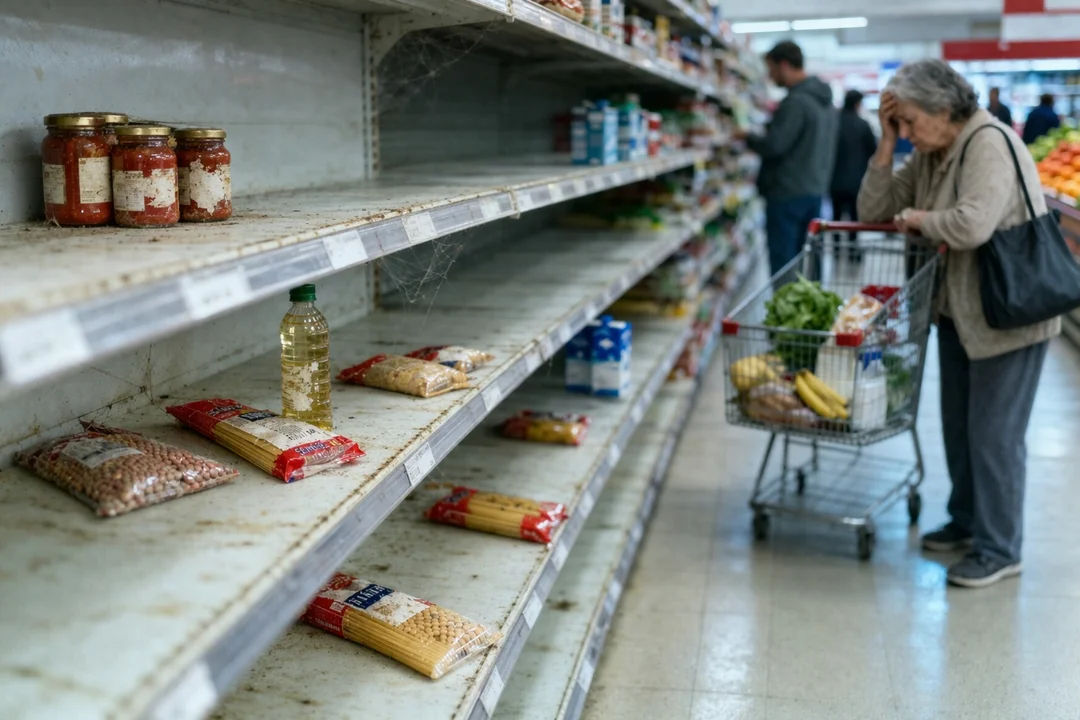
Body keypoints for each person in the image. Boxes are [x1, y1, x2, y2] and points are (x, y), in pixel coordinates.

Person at [857, 60, 1059, 589]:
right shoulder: (931, 150)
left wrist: (921, 221)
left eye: (909, 123)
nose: (906, 135)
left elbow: (972, 225)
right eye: (897, 124)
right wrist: (885, 143)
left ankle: (1000, 547)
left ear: (944, 110)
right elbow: (874, 207)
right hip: (956, 313)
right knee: (959, 427)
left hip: (1006, 316)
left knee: (994, 436)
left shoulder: (987, 142)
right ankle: (968, 520)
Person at [744, 41, 838, 275]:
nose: (770, 76)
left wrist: (748, 137)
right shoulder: (823, 102)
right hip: (814, 190)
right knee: (810, 260)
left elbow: (775, 144)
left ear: (784, 65)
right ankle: (812, 309)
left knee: (784, 264)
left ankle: (786, 311)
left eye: (772, 69)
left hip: (786, 195)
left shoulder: (796, 102)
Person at [830, 89, 877, 258]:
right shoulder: (863, 125)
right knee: (853, 216)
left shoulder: (834, 123)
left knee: (835, 215)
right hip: (856, 180)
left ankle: (835, 249)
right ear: (857, 104)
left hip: (834, 179)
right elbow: (874, 151)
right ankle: (852, 249)